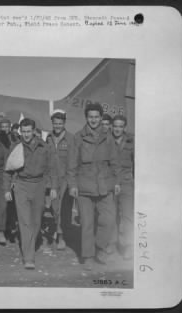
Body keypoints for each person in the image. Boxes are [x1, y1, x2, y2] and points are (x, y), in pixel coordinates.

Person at [67, 103, 121, 271]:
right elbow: (72, 165)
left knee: (109, 218)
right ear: (86, 118)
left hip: (104, 185)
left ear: (101, 117)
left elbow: (115, 162)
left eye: (96, 117)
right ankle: (88, 256)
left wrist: (117, 181)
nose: (93, 120)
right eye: (90, 117)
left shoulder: (108, 137)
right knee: (87, 222)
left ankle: (99, 246)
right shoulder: (78, 137)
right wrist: (72, 185)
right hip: (84, 186)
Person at [4, 118, 57, 270]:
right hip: (21, 186)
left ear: (34, 131)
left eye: (28, 131)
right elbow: (7, 170)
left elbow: (52, 168)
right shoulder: (16, 147)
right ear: (20, 131)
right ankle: (29, 257)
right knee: (25, 222)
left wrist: (53, 187)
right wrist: (7, 189)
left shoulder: (44, 147)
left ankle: (32, 241)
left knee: (35, 221)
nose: (26, 135)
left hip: (39, 186)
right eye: (23, 132)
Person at [45, 109, 75, 251]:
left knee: (63, 209)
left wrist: (71, 181)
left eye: (60, 123)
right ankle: (59, 232)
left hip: (65, 180)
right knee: (55, 208)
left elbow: (73, 161)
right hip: (52, 179)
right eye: (55, 123)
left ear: (64, 123)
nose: (57, 126)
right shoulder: (48, 138)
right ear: (52, 123)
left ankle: (61, 237)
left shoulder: (71, 139)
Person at [111, 115, 134, 260]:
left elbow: (137, 162)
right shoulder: (106, 141)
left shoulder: (131, 142)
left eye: (121, 126)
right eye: (115, 126)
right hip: (111, 183)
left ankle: (127, 246)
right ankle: (112, 244)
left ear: (124, 128)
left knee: (127, 215)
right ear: (112, 127)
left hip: (126, 183)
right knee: (111, 215)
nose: (118, 129)